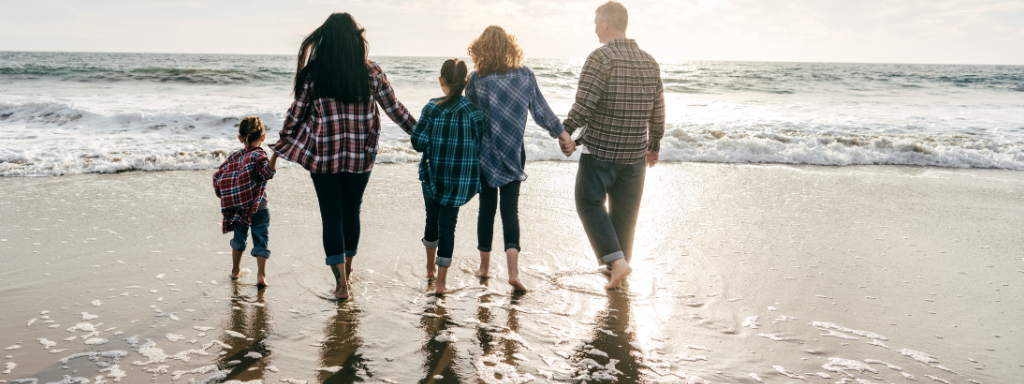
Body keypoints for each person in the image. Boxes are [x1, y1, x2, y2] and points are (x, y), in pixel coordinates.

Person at [273, 13, 417, 300]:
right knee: (352, 212)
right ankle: (348, 272)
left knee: (331, 219)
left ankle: (340, 285)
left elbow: (295, 116)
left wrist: (280, 145)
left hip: (323, 157)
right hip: (361, 156)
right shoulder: (371, 72)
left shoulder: (314, 75)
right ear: (355, 39)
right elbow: (395, 109)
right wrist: (422, 134)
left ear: (326, 40)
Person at [562, 1, 666, 290]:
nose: (595, 28)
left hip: (601, 152)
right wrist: (654, 143)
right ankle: (617, 273)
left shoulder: (600, 58)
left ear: (607, 23)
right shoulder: (650, 61)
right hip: (634, 155)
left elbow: (585, 105)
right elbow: (658, 109)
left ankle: (616, 264)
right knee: (625, 215)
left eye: (597, 22)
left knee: (588, 202)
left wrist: (567, 131)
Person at [464, 25, 575, 292]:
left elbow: (471, 117)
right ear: (510, 47)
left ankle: (484, 268)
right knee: (510, 211)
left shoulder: (476, 78)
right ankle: (513, 273)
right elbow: (540, 110)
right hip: (514, 152)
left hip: (485, 155)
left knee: (486, 211)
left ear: (481, 50)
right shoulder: (525, 75)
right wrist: (562, 133)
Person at [412, 58, 485, 295]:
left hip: (433, 177)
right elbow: (479, 143)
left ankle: (429, 269)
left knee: (431, 220)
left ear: (441, 80)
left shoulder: (431, 108)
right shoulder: (474, 112)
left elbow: (417, 142)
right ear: (466, 82)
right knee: (448, 227)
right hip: (459, 181)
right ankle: (441, 284)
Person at [213, 116, 278, 288]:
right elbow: (267, 173)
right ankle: (261, 275)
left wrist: (228, 195)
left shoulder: (235, 158)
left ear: (240, 138)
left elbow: (220, 175)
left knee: (239, 238)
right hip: (259, 206)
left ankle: (235, 271)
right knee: (261, 239)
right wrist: (276, 155)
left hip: (239, 207)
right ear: (263, 137)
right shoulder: (260, 155)